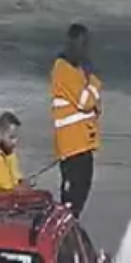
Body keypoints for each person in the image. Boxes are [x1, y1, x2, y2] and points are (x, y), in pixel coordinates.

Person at [50, 23, 102, 217]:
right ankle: (64, 231)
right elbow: (86, 102)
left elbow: (96, 106)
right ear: (72, 44)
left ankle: (71, 227)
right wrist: (94, 81)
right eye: (82, 45)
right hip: (72, 146)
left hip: (83, 143)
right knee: (72, 197)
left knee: (82, 191)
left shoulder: (78, 70)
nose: (85, 51)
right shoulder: (63, 70)